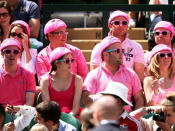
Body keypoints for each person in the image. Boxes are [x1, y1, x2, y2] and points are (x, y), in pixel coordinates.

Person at [82, 35, 144, 112]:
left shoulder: (131, 74)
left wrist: (134, 117)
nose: (121, 54)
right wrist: (107, 100)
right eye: (117, 51)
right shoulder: (94, 75)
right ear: (106, 55)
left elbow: (139, 99)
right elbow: (86, 99)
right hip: (102, 117)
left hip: (126, 119)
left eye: (122, 50)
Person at [90, 10, 145, 82]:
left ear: (127, 25)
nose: (121, 25)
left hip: (128, 88)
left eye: (124, 23)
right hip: (105, 87)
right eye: (116, 23)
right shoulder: (99, 47)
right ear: (110, 25)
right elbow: (94, 74)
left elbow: (139, 76)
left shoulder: (136, 47)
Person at [36, 18, 88, 83]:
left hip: (75, 89)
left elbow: (84, 76)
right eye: (60, 33)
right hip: (52, 91)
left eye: (65, 32)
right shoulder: (41, 56)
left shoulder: (76, 51)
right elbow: (42, 80)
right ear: (50, 35)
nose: (64, 36)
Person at [40, 47, 83, 116]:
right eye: (67, 61)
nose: (70, 63)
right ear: (56, 63)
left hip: (72, 117)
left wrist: (67, 119)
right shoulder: (45, 81)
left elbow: (75, 109)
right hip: (52, 117)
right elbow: (48, 107)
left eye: (72, 60)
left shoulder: (77, 79)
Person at [0, 38, 36, 107]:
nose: (12, 54)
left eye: (15, 52)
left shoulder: (29, 75)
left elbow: (29, 104)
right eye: (8, 51)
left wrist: (18, 112)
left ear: (19, 54)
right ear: (2, 53)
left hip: (22, 114)